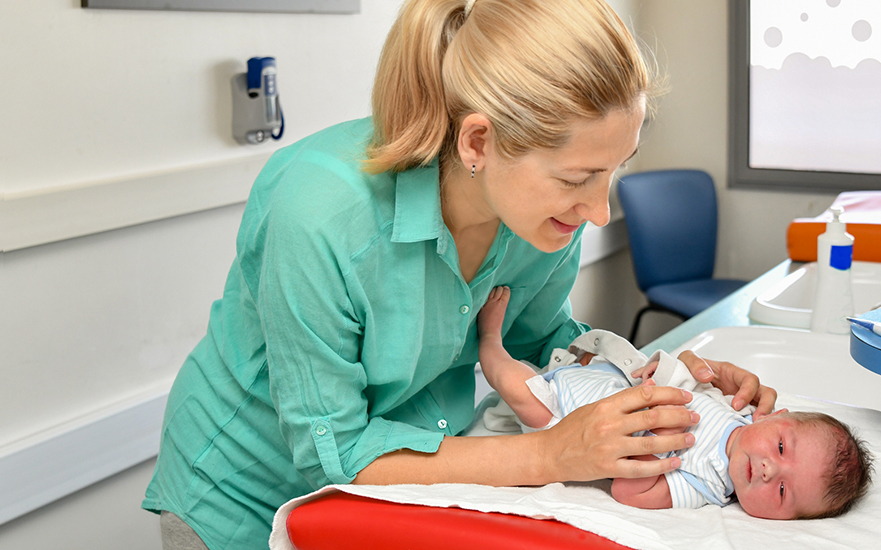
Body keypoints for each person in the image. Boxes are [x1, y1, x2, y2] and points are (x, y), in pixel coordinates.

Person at [141, 0, 778, 548]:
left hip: (396, 481)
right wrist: (551, 455)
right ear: (477, 144)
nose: (599, 211)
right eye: (577, 178)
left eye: (613, 170)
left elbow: (538, 342)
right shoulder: (320, 214)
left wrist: (657, 385)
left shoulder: (540, 219)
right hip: (244, 488)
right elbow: (329, 454)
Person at [477, 287, 873, 520]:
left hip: (563, 419)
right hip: (601, 380)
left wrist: (665, 434)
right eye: (782, 446)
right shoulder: (739, 409)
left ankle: (489, 343)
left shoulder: (706, 484)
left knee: (518, 389)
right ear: (775, 415)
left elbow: (631, 494)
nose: (769, 469)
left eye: (784, 492)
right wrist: (667, 371)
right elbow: (687, 377)